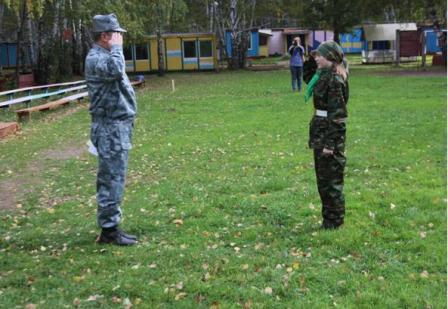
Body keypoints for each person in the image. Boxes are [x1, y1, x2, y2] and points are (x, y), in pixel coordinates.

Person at [85, 14, 138, 245]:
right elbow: (116, 69)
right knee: (111, 179)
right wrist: (117, 48)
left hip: (117, 126)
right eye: (116, 35)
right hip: (110, 128)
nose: (120, 39)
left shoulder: (105, 55)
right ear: (105, 36)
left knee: (115, 177)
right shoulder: (96, 58)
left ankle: (111, 227)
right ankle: (109, 230)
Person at [306, 40, 349, 230]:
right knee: (323, 179)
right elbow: (307, 76)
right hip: (321, 132)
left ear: (330, 58)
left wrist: (330, 145)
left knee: (331, 181)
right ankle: (329, 219)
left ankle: (334, 222)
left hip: (329, 136)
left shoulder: (335, 80)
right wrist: (311, 56)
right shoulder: (322, 75)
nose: (316, 58)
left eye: (319, 55)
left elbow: (338, 117)